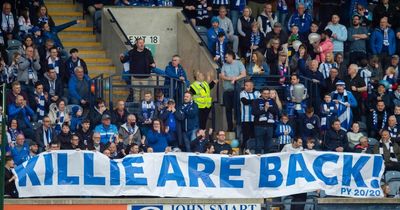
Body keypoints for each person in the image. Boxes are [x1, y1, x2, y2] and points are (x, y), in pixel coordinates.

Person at [219, 51, 246, 131]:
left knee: (237, 108)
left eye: (227, 57)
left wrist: (235, 78)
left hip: (237, 90)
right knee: (228, 109)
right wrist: (230, 78)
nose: (225, 58)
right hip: (227, 90)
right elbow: (222, 76)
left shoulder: (239, 63)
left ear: (231, 56)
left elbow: (243, 74)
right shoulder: (224, 65)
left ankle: (237, 126)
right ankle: (229, 127)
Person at [252, 88, 279, 154]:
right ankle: (257, 161)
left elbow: (276, 112)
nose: (266, 95)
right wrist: (264, 109)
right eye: (265, 93)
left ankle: (266, 161)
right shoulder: (256, 101)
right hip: (259, 126)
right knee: (258, 145)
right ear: (261, 94)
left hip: (270, 126)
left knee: (268, 146)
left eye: (268, 93)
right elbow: (254, 112)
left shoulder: (272, 101)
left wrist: (269, 108)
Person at [240, 80, 260, 149]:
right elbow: (245, 101)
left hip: (255, 119)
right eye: (245, 85)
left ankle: (253, 150)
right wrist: (255, 101)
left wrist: (253, 102)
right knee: (246, 136)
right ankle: (244, 150)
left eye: (247, 85)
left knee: (254, 136)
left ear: (252, 86)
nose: (245, 87)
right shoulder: (243, 93)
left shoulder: (257, 93)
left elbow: (260, 101)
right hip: (245, 119)